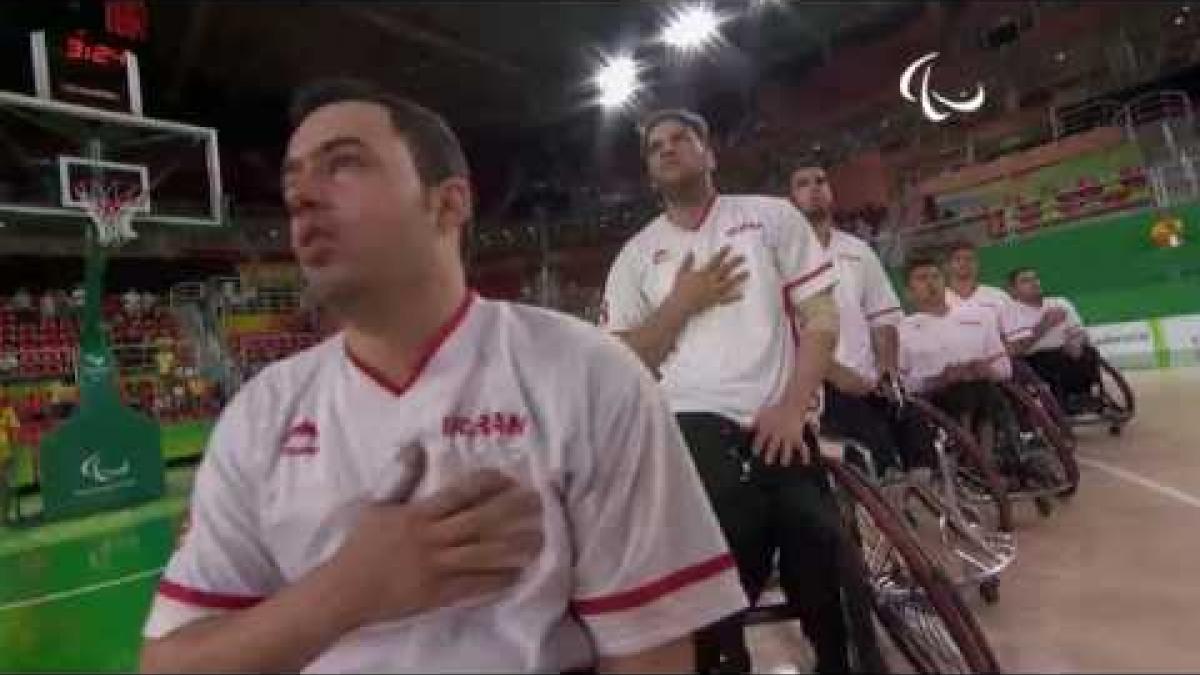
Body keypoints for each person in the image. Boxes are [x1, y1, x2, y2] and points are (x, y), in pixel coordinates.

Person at [140, 79, 746, 673]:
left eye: (342, 164)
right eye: (292, 180)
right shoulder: (258, 414)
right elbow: (167, 662)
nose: (302, 197)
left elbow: (649, 653)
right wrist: (346, 593)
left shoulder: (587, 373)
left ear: (449, 202)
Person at [601, 109, 871, 674]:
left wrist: (794, 406)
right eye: (657, 146)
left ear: (710, 153)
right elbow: (625, 362)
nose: (670, 149)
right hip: (690, 425)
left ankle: (836, 658)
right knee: (723, 553)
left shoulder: (772, 218)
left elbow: (821, 320)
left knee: (827, 557)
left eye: (682, 139)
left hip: (782, 416)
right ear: (650, 172)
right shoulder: (634, 257)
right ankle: (725, 654)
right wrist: (681, 303)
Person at [789, 164, 909, 473]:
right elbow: (786, 330)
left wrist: (886, 369)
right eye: (803, 184)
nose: (814, 188)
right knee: (871, 450)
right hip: (814, 385)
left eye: (820, 181)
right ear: (791, 200)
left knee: (914, 433)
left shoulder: (859, 251)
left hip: (867, 381)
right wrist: (835, 374)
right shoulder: (780, 255)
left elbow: (882, 315)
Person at [897, 257, 1012, 462]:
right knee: (962, 390)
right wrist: (938, 379)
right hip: (934, 400)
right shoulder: (901, 330)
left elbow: (1005, 368)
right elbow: (902, 384)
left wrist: (987, 369)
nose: (931, 283)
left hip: (985, 390)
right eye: (922, 279)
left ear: (945, 282)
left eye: (935, 276)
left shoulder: (980, 316)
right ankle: (972, 457)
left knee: (979, 387)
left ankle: (985, 459)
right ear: (908, 292)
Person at [1006, 266, 1097, 412]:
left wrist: (1076, 342)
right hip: (1034, 358)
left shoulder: (1060, 302)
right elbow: (1016, 349)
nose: (1034, 283)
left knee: (1089, 352)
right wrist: (1045, 324)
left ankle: (1081, 396)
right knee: (1053, 360)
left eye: (1035, 278)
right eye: (1026, 281)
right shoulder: (1010, 311)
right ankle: (1065, 400)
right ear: (1013, 290)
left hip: (1066, 350)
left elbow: (1079, 330)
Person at [943, 241, 1028, 350]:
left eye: (969, 259)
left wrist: (994, 356)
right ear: (947, 266)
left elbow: (1019, 339)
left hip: (998, 364)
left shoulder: (999, 296)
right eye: (957, 259)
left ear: (978, 264)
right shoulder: (937, 301)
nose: (964, 263)